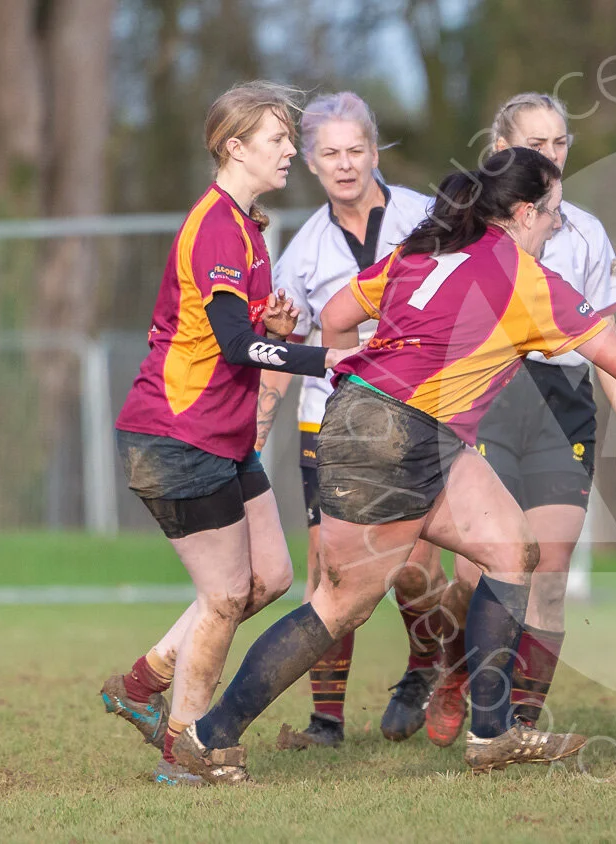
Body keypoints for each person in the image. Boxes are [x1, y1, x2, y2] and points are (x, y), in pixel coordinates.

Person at [174, 148, 616, 783]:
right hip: (402, 434)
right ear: (524, 213)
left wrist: (362, 386)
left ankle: (491, 731)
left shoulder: (421, 250)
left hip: (383, 425)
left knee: (512, 550)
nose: (557, 226)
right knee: (340, 605)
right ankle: (209, 737)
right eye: (554, 213)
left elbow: (338, 317)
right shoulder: (525, 279)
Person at [100, 81, 359, 785]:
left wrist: (278, 331)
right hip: (176, 436)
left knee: (269, 578)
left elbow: (244, 336)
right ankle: (185, 749)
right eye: (278, 139)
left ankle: (142, 684)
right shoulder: (216, 225)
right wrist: (322, 356)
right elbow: (235, 345)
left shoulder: (248, 226)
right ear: (234, 147)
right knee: (222, 596)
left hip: (224, 436)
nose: (290, 151)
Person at [420, 92, 616, 747]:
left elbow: (607, 342)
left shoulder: (587, 232)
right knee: (477, 572)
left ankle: (517, 726)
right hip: (486, 394)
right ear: (501, 151)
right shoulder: (467, 229)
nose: (552, 154)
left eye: (560, 142)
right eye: (535, 144)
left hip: (563, 402)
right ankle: (454, 671)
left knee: (549, 570)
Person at [255, 91, 450, 749]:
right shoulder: (303, 251)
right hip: (330, 426)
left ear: (375, 152)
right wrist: (259, 425)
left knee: (416, 568)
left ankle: (424, 665)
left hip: (418, 417)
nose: (344, 164)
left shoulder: (426, 219)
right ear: (311, 162)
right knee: (329, 573)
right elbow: (286, 349)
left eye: (355, 150)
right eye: (330, 153)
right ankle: (326, 723)